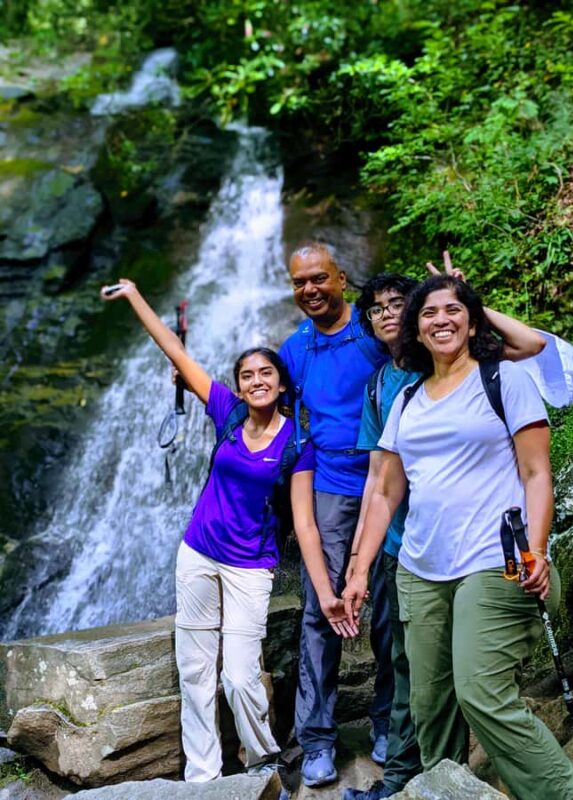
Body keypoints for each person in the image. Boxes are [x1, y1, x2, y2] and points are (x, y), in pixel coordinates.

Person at [343, 273, 573, 800]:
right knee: (429, 709)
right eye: (428, 313)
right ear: (415, 328)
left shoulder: (504, 379)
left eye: (453, 309)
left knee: (480, 691)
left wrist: (538, 549)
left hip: (496, 560)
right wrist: (360, 570)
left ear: (472, 319)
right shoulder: (405, 398)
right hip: (420, 569)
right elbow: (385, 492)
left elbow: (536, 474)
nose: (441, 320)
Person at [100, 279, 346, 795]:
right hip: (196, 554)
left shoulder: (298, 445)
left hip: (250, 567)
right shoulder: (225, 413)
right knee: (194, 673)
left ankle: (261, 762)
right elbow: (172, 348)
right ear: (237, 387)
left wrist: (325, 592)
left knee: (237, 676)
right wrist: (135, 295)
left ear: (281, 385)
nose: (257, 381)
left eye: (266, 374)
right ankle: (203, 777)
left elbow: (303, 523)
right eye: (247, 375)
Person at [278, 243, 392, 787]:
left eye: (319, 278)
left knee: (391, 607)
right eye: (300, 282)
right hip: (328, 485)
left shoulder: (375, 335)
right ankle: (317, 739)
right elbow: (272, 410)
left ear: (342, 278)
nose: (310, 290)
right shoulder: (294, 348)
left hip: (390, 482)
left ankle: (390, 723)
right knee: (318, 613)